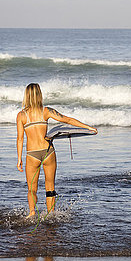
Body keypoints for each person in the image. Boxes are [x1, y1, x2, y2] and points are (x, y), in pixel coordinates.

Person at [17, 83, 97, 219]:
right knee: (50, 186)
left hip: (32, 154)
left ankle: (32, 213)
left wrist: (19, 159)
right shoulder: (46, 111)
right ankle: (51, 214)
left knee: (32, 188)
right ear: (39, 94)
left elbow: (20, 139)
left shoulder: (21, 115)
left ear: (27, 95)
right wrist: (88, 127)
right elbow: (67, 119)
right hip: (48, 151)